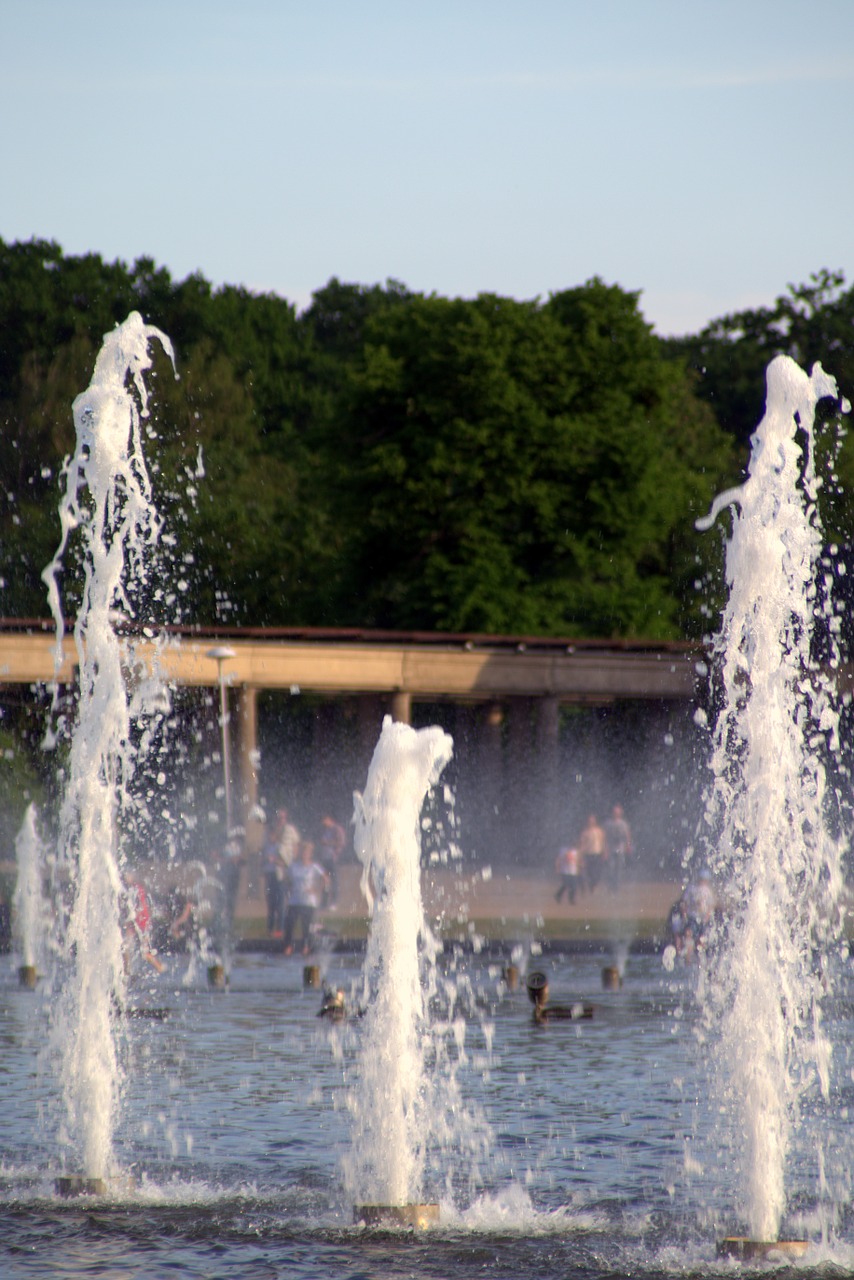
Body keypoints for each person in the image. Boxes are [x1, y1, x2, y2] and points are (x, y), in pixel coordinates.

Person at [282, 840, 330, 956]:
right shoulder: (294, 866)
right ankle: (288, 946)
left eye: (306, 852)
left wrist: (317, 889)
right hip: (294, 900)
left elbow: (326, 879)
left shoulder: (314, 867)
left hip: (308, 902)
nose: (304, 854)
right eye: (303, 852)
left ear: (310, 854)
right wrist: (288, 890)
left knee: (306, 926)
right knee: (289, 924)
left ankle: (306, 947)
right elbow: (286, 879)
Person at [122, 875, 165, 974]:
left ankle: (159, 967)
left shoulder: (135, 889)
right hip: (138, 920)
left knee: (137, 949)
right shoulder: (137, 888)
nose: (125, 878)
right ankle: (127, 971)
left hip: (139, 921)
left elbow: (137, 906)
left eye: (126, 877)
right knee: (126, 946)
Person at [262, 811, 290, 936]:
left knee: (280, 905)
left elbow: (285, 863)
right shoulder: (267, 846)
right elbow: (263, 860)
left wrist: (274, 860)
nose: (270, 836)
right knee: (270, 905)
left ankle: (280, 929)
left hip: (278, 877)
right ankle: (269, 929)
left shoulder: (280, 847)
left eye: (272, 834)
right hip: (269, 876)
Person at [318, 814, 347, 906]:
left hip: (332, 858)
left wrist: (328, 843)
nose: (323, 822)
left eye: (324, 820)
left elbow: (341, 843)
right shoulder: (325, 830)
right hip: (325, 858)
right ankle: (324, 902)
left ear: (329, 819)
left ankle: (334, 902)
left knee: (334, 881)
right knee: (325, 880)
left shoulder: (337, 829)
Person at [604, 804, 633, 891]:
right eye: (614, 812)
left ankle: (616, 887)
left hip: (620, 848)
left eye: (617, 812)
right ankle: (611, 885)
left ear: (620, 813)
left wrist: (628, 845)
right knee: (611, 868)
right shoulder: (608, 823)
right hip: (611, 848)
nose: (615, 813)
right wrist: (605, 849)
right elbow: (605, 837)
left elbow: (627, 835)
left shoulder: (623, 824)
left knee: (618, 869)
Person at [578, 813, 607, 893]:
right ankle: (591, 886)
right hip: (588, 853)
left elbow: (603, 842)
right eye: (589, 820)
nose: (591, 822)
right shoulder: (585, 832)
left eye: (592, 820)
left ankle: (594, 884)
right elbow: (582, 844)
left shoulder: (599, 831)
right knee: (589, 871)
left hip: (597, 853)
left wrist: (605, 851)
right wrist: (581, 855)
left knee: (597, 872)